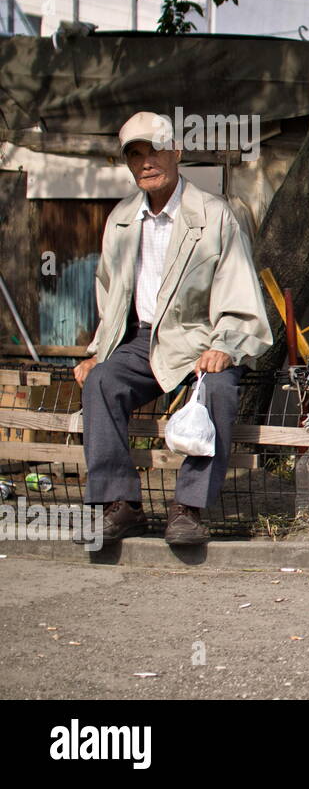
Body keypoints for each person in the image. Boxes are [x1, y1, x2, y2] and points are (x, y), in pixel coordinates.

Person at [74, 111, 272, 545]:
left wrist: (225, 345)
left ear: (177, 152)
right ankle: (119, 505)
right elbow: (109, 295)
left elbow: (239, 293)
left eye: (155, 150)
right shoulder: (121, 220)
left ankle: (188, 509)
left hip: (202, 339)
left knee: (219, 386)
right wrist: (100, 352)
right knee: (101, 382)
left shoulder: (214, 214)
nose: (146, 162)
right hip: (142, 341)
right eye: (136, 154)